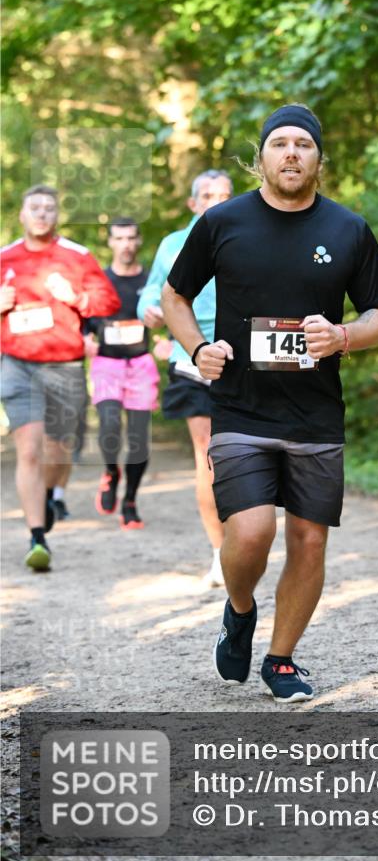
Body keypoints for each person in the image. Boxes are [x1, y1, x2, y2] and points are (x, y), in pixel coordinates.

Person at [162, 105, 378, 702]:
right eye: (280, 143)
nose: (292, 153)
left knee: (310, 540)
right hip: (240, 407)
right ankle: (240, 609)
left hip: (316, 413)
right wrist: (199, 348)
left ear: (319, 159)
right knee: (252, 530)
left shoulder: (348, 229)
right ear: (260, 157)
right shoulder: (222, 222)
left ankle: (281, 659)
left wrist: (343, 335)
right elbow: (174, 295)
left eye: (303, 144)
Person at [0, 185, 121, 571]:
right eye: (34, 207)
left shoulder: (76, 256)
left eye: (49, 208)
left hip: (64, 366)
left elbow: (109, 301)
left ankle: (51, 494)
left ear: (57, 216)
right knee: (29, 450)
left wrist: (76, 298)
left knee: (58, 447)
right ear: (22, 215)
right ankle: (37, 537)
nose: (41, 213)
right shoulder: (4, 258)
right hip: (17, 364)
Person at [137, 170, 233, 584]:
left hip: (242, 357)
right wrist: (148, 308)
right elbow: (152, 290)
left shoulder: (248, 238)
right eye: (208, 195)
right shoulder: (173, 244)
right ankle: (220, 553)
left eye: (224, 195)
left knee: (246, 454)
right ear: (193, 203)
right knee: (208, 454)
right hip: (191, 357)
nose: (216, 202)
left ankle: (248, 542)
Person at [87, 217, 160, 529]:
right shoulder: (100, 280)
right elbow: (84, 319)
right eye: (119, 238)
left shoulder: (149, 281)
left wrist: (166, 339)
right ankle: (110, 471)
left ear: (138, 241)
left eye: (131, 238)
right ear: (110, 242)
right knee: (109, 424)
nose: (126, 244)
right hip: (107, 364)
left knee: (139, 439)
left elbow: (170, 312)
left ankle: (129, 501)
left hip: (140, 364)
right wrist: (85, 338)